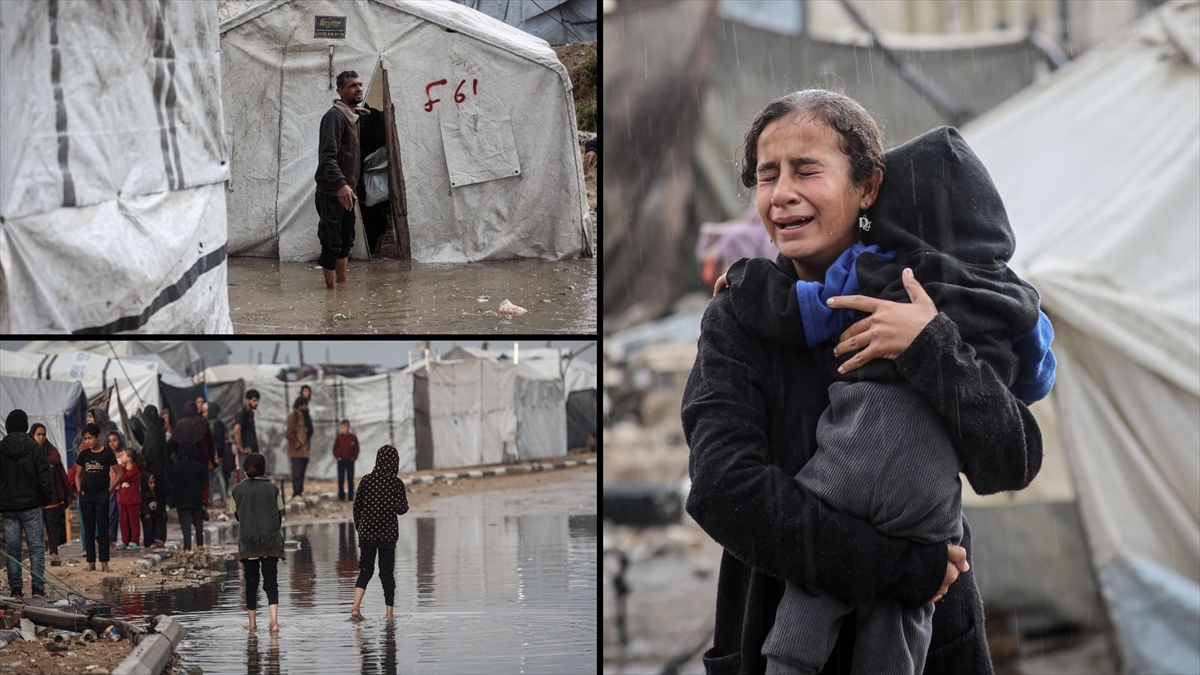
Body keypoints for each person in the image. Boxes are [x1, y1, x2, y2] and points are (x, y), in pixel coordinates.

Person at [681, 89, 1045, 675]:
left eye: (807, 171)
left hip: (934, 649)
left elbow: (1010, 462)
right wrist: (901, 570)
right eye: (767, 176)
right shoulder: (739, 317)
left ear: (868, 187)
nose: (782, 195)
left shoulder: (925, 296)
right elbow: (725, 491)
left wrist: (930, 346)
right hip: (778, 634)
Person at [315, 70, 365, 288]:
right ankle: (331, 294)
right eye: (353, 86)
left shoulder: (352, 117)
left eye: (360, 84)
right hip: (331, 192)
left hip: (346, 192)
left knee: (346, 241)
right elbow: (327, 156)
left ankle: (341, 293)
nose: (359, 88)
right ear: (340, 91)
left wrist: (349, 187)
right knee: (331, 243)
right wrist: (341, 184)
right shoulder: (334, 117)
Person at [350, 444, 409, 619]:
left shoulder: (366, 480)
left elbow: (357, 507)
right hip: (387, 535)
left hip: (367, 533)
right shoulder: (396, 483)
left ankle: (355, 609)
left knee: (365, 571)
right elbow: (402, 509)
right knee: (387, 574)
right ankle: (389, 614)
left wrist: (360, 528)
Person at [230, 452, 285, 632]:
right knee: (271, 582)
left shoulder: (236, 491)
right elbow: (279, 516)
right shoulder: (273, 489)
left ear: (245, 470)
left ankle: (252, 624)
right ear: (264, 469)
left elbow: (237, 516)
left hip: (248, 544)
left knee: (251, 583)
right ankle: (274, 621)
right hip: (271, 543)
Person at [1, 411, 54, 597]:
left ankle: (16, 589)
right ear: (25, 426)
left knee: (13, 549)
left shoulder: (1, 448)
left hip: (8, 508)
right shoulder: (35, 448)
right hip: (32, 506)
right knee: (36, 549)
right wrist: (46, 500)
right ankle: (38, 589)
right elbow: (45, 477)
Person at [75, 423, 122, 572]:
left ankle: (104, 563)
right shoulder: (84, 455)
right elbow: (78, 475)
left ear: (98, 437)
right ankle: (90, 562)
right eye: (86, 439)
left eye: (90, 438)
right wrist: (79, 491)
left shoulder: (107, 454)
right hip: (86, 495)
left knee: (103, 529)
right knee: (89, 529)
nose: (88, 441)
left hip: (102, 495)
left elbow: (119, 473)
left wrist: (109, 490)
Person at [31, 423, 73, 566]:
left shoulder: (50, 449)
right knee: (35, 527)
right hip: (34, 496)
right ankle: (36, 554)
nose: (41, 437)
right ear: (32, 435)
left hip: (52, 496)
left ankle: (54, 551)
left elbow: (56, 459)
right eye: (38, 435)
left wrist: (41, 463)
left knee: (53, 525)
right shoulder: (28, 450)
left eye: (43, 434)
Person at [171, 401, 216, 511]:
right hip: (202, 456)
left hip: (185, 458)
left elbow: (174, 442)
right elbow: (210, 441)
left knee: (187, 480)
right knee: (203, 479)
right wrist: (212, 458)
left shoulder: (179, 424)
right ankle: (203, 501)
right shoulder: (202, 422)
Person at [140, 405, 170, 547]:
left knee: (155, 507)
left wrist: (141, 457)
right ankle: (157, 536)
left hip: (154, 475)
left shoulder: (152, 431)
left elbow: (152, 452)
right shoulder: (158, 430)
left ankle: (157, 537)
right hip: (162, 474)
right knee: (159, 506)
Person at [170, 441, 207, 553]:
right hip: (196, 500)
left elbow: (172, 482)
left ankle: (187, 548)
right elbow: (203, 481)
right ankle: (200, 544)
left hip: (181, 501)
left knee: (186, 525)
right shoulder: (199, 466)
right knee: (198, 522)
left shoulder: (175, 467)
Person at [116, 448, 143, 550]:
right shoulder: (123, 469)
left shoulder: (135, 470)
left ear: (129, 459)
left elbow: (123, 477)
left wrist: (119, 466)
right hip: (123, 501)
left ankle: (135, 541)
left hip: (133, 501)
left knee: (134, 523)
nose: (121, 457)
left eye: (124, 456)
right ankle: (125, 541)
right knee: (123, 523)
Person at [285, 396, 311, 500]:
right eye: (304, 405)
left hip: (303, 451)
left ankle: (300, 491)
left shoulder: (302, 416)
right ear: (300, 405)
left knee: (301, 472)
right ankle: (296, 493)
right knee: (296, 472)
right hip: (296, 451)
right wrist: (297, 445)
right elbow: (289, 433)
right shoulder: (293, 415)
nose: (306, 407)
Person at [105, 431, 127, 552]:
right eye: (110, 441)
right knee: (111, 515)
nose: (113, 443)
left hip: (122, 489)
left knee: (122, 515)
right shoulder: (107, 455)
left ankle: (125, 540)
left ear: (120, 440)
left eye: (115, 440)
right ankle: (111, 540)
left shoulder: (124, 455)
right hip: (110, 489)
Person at [233, 390, 261, 482]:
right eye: (254, 400)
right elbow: (237, 430)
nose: (256, 403)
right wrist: (241, 448)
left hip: (252, 451)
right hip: (245, 453)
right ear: (247, 400)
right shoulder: (242, 413)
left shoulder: (250, 413)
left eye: (257, 401)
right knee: (245, 478)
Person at [208, 401, 231, 502]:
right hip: (210, 454)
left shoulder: (217, 424)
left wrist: (219, 455)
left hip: (216, 454)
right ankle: (210, 497)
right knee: (211, 476)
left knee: (219, 475)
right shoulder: (209, 422)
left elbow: (219, 441)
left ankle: (223, 497)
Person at [333, 420, 360, 502]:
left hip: (350, 460)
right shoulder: (339, 437)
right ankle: (341, 496)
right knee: (341, 479)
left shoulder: (353, 437)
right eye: (342, 427)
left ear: (348, 427)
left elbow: (356, 449)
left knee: (350, 479)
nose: (344, 429)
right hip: (341, 460)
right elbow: (335, 448)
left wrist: (353, 458)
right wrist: (338, 457)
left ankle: (350, 496)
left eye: (345, 427)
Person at [140, 471, 159, 550]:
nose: (153, 485)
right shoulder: (144, 494)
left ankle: (152, 540)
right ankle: (148, 542)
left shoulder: (152, 493)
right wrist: (146, 512)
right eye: (150, 483)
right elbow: (143, 504)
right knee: (147, 528)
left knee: (152, 527)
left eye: (153, 483)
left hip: (152, 514)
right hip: (147, 514)